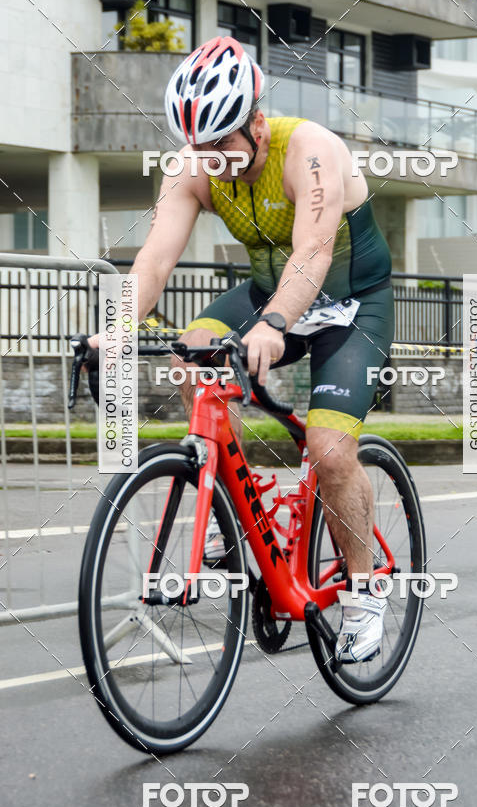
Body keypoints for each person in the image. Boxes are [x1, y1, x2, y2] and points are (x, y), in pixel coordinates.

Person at [89, 36, 395, 663]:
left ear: (257, 121)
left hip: (350, 304)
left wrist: (277, 321)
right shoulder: (194, 166)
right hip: (267, 297)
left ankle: (366, 594)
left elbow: (312, 252)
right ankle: (227, 502)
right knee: (191, 350)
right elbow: (154, 260)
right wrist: (117, 328)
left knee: (328, 449)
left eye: (226, 143)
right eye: (202, 148)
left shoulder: (309, 152)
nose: (214, 160)